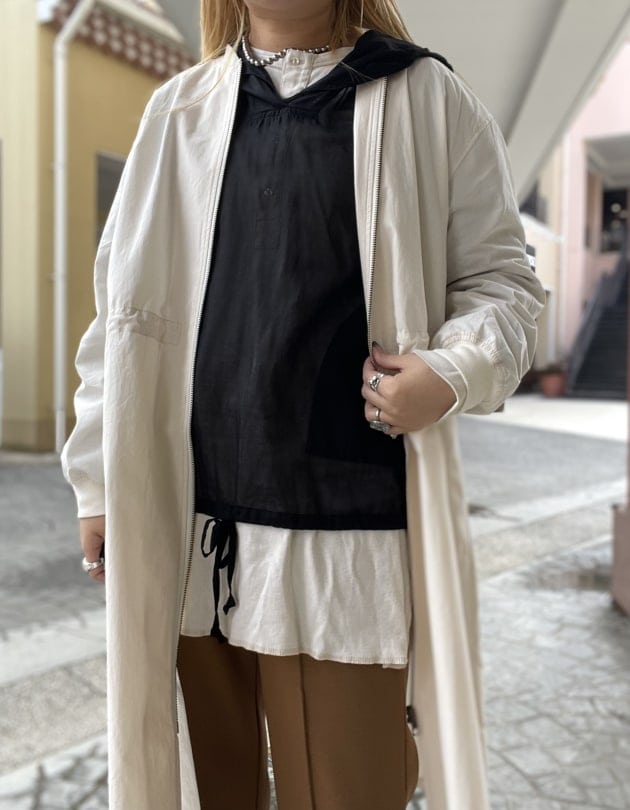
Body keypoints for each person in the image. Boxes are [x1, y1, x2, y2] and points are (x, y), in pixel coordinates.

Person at [61, 1, 545, 808]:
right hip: (188, 531)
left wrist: (451, 371)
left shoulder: (427, 97)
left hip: (346, 535)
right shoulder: (177, 111)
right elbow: (121, 316)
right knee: (210, 786)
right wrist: (97, 481)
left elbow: (504, 283)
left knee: (351, 788)